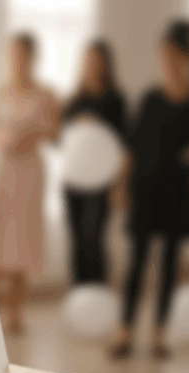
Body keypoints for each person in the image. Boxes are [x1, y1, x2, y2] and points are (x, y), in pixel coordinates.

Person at [111, 20, 189, 360]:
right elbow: (132, 147)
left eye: (173, 56)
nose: (167, 62)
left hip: (177, 191)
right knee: (136, 262)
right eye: (163, 56)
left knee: (170, 264)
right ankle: (125, 331)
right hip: (145, 189)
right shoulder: (150, 98)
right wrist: (121, 185)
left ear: (186, 59)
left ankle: (159, 335)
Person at [0, 33, 59, 333]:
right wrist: (2, 141)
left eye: (23, 55)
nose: (17, 61)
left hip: (29, 170)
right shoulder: (1, 91)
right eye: (13, 55)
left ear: (32, 57)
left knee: (23, 239)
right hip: (4, 168)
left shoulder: (45, 94)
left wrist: (30, 135)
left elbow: (54, 132)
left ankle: (16, 310)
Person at [62, 41, 126, 286]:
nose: (91, 65)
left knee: (94, 239)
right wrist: (80, 123)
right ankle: (79, 294)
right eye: (87, 60)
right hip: (74, 180)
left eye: (97, 60)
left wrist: (119, 185)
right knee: (76, 240)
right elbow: (63, 140)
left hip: (102, 181)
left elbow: (124, 146)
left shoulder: (116, 100)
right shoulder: (74, 100)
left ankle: (98, 292)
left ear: (106, 64)